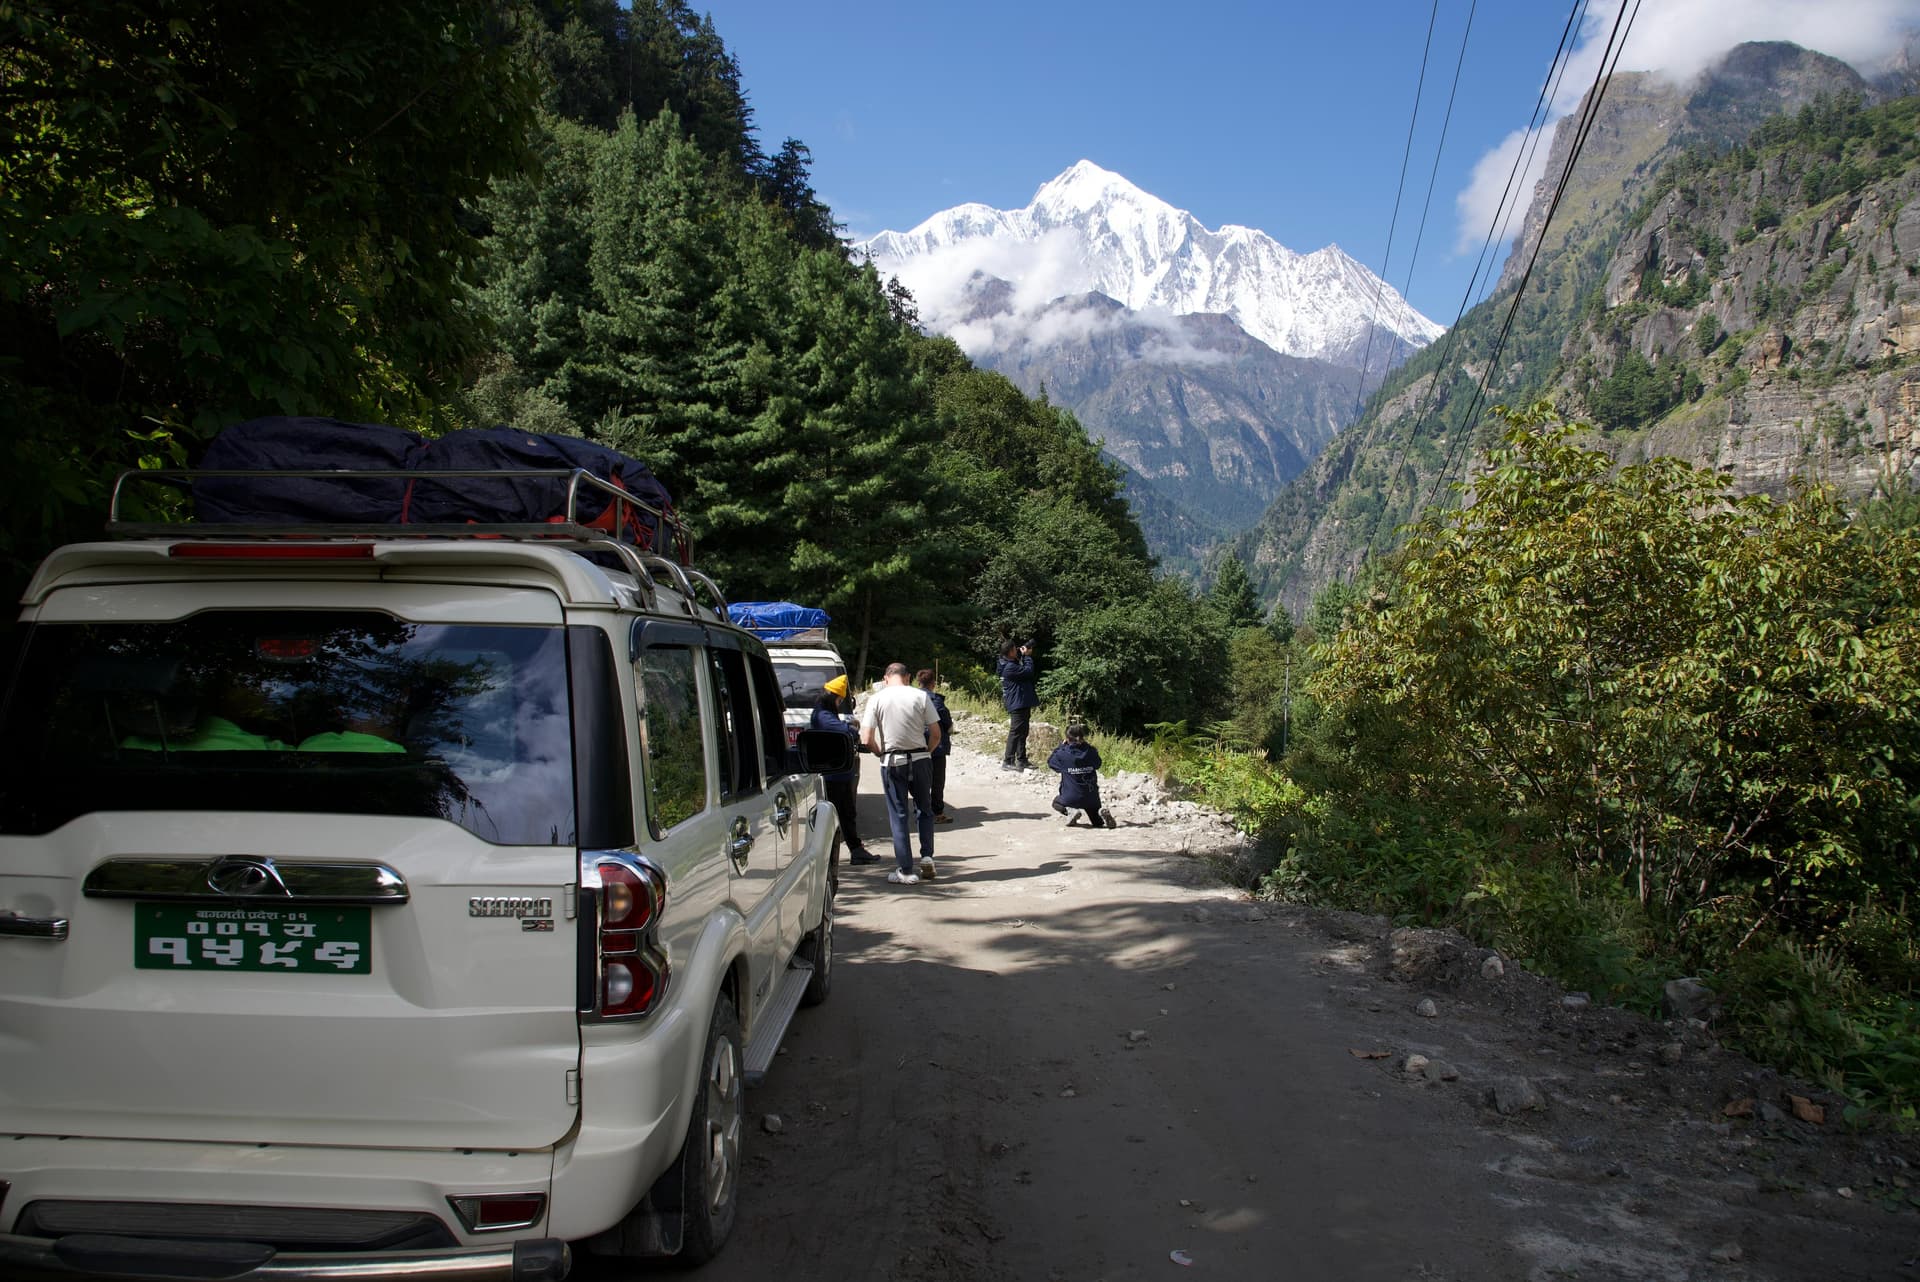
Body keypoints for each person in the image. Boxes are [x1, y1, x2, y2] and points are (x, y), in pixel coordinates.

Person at [860, 662, 942, 885]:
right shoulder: (920, 696)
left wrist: (880, 753)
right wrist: (927, 752)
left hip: (893, 761)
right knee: (925, 809)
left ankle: (906, 870)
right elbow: (936, 732)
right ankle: (927, 856)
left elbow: (866, 738)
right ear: (907, 678)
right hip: (920, 759)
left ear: (886, 678)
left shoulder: (876, 698)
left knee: (899, 815)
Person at [812, 676, 879, 865]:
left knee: (847, 813)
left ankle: (856, 850)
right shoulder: (823, 715)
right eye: (840, 701)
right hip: (834, 773)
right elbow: (843, 731)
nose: (840, 704)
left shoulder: (823, 712)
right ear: (833, 698)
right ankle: (832, 856)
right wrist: (852, 728)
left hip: (839, 771)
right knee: (837, 815)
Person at [1048, 722, 1115, 829]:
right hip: (1091, 798)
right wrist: (1087, 746)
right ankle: (1100, 813)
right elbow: (1098, 764)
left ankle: (1071, 811)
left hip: (1071, 797)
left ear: (1067, 739)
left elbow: (1051, 762)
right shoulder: (1091, 751)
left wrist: (1061, 746)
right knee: (1097, 823)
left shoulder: (1062, 754)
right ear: (1082, 737)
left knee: (1056, 803)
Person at [916, 668, 954, 824]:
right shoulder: (936, 700)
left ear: (918, 682)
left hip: (916, 743)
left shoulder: (913, 697)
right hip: (936, 745)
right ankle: (937, 813)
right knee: (937, 781)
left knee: (920, 780)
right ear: (933, 683)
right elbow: (945, 723)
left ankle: (920, 810)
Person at [996, 641, 1038, 772]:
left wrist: (1021, 655)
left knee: (1022, 732)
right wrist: (1027, 656)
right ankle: (1008, 760)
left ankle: (1022, 759)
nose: (1018, 650)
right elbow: (1028, 671)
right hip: (1017, 702)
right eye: (1015, 649)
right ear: (1010, 652)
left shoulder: (1008, 663)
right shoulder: (1009, 667)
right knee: (1015, 732)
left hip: (1020, 701)